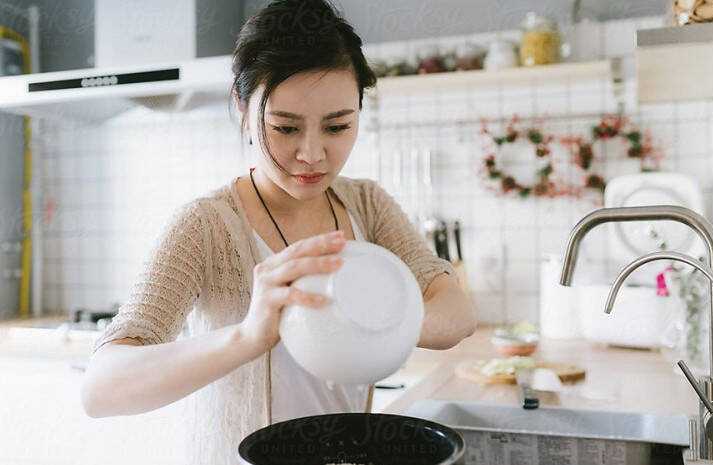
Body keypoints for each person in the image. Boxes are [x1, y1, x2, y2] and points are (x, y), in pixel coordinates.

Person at [80, 0, 477, 463]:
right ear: (243, 108)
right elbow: (101, 389)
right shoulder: (205, 225)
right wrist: (248, 335)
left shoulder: (367, 204)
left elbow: (457, 313)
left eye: (338, 126)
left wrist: (376, 323)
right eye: (285, 128)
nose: (312, 154)